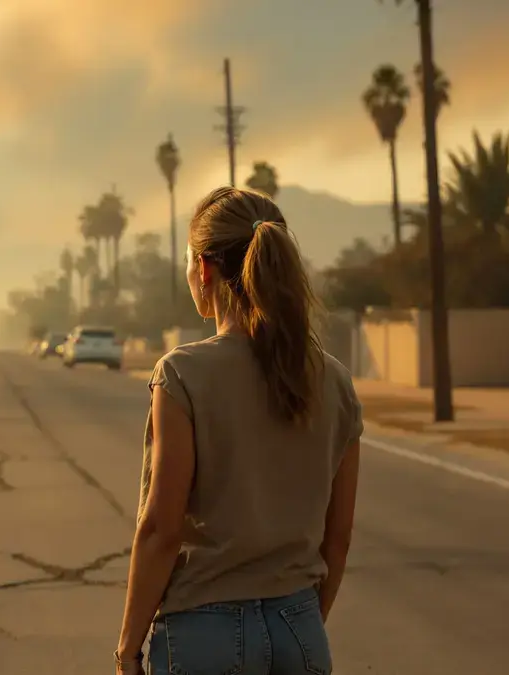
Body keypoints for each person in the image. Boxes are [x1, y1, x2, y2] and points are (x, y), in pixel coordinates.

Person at [113, 187, 363, 675]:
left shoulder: (182, 373)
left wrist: (127, 649)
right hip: (300, 626)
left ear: (204, 269)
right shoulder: (333, 378)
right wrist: (304, 624)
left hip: (204, 635)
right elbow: (339, 539)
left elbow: (162, 530)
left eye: (188, 261)